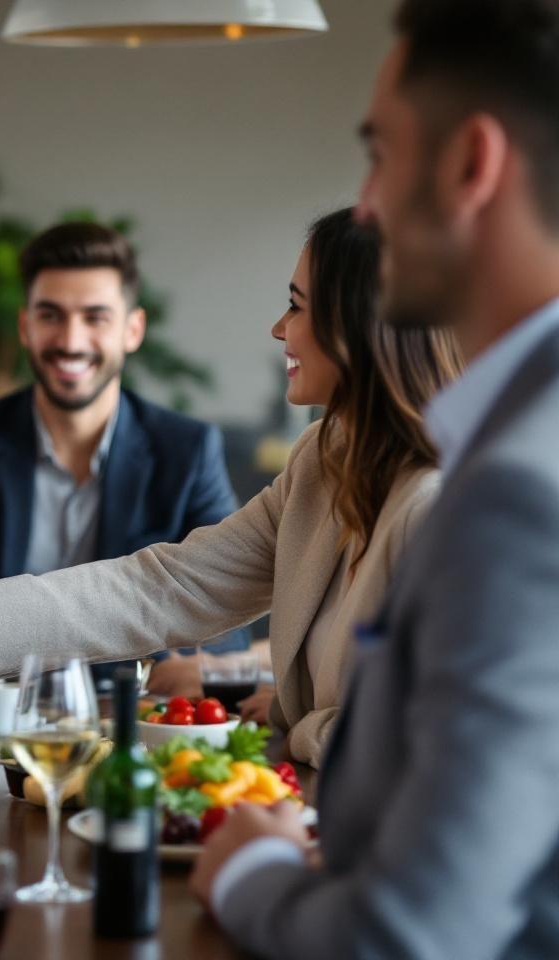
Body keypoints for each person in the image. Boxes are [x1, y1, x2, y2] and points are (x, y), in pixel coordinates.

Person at [0, 207, 459, 768]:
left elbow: (428, 743)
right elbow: (168, 583)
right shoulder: (322, 460)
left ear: (357, 324)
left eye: (296, 304)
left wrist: (301, 729)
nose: (278, 328)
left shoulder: (441, 506)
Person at [192, 2, 559, 955]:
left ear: (472, 165)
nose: (367, 204)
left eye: (380, 154)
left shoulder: (519, 495)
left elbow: (405, 937)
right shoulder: (488, 453)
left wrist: (252, 873)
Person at [0, 221, 249, 691]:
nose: (70, 341)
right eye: (51, 315)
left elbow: (227, 614)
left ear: (133, 329)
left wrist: (175, 667)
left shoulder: (187, 449)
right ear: (25, 326)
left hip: (127, 717)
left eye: (95, 317)